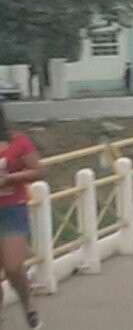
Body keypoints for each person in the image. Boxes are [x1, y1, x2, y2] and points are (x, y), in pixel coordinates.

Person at [0, 102, 43, 329]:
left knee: (13, 267)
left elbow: (38, 171)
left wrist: (9, 179)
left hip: (11, 209)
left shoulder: (18, 141)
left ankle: (28, 303)